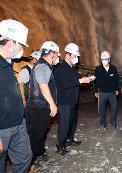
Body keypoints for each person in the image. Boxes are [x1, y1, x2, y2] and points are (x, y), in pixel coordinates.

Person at [0, 19, 32, 173]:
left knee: (25, 157)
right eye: (21, 45)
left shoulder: (8, 63)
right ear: (11, 42)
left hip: (18, 124)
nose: (22, 49)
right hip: (2, 129)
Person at [54, 43, 93, 155]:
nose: (77, 59)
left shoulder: (72, 69)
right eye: (75, 56)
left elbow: (75, 82)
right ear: (68, 55)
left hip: (73, 102)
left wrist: (85, 80)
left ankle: (69, 139)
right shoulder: (60, 69)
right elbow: (65, 84)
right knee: (64, 125)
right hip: (64, 103)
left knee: (72, 123)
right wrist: (80, 81)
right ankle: (61, 146)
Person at [27, 41, 60, 172]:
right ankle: (29, 164)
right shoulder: (42, 66)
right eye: (57, 53)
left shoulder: (44, 65)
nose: (58, 56)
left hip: (40, 106)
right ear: (51, 53)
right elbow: (43, 86)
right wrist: (52, 104)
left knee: (41, 133)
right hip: (38, 107)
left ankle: (39, 154)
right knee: (36, 135)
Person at [94, 50, 119, 130]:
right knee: (101, 109)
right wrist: (95, 91)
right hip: (102, 92)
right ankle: (103, 124)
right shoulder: (98, 69)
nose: (104, 61)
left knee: (114, 107)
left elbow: (116, 79)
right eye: (103, 59)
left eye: (106, 59)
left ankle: (113, 122)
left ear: (109, 59)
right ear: (101, 60)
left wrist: (117, 89)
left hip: (112, 92)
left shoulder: (113, 68)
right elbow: (96, 80)